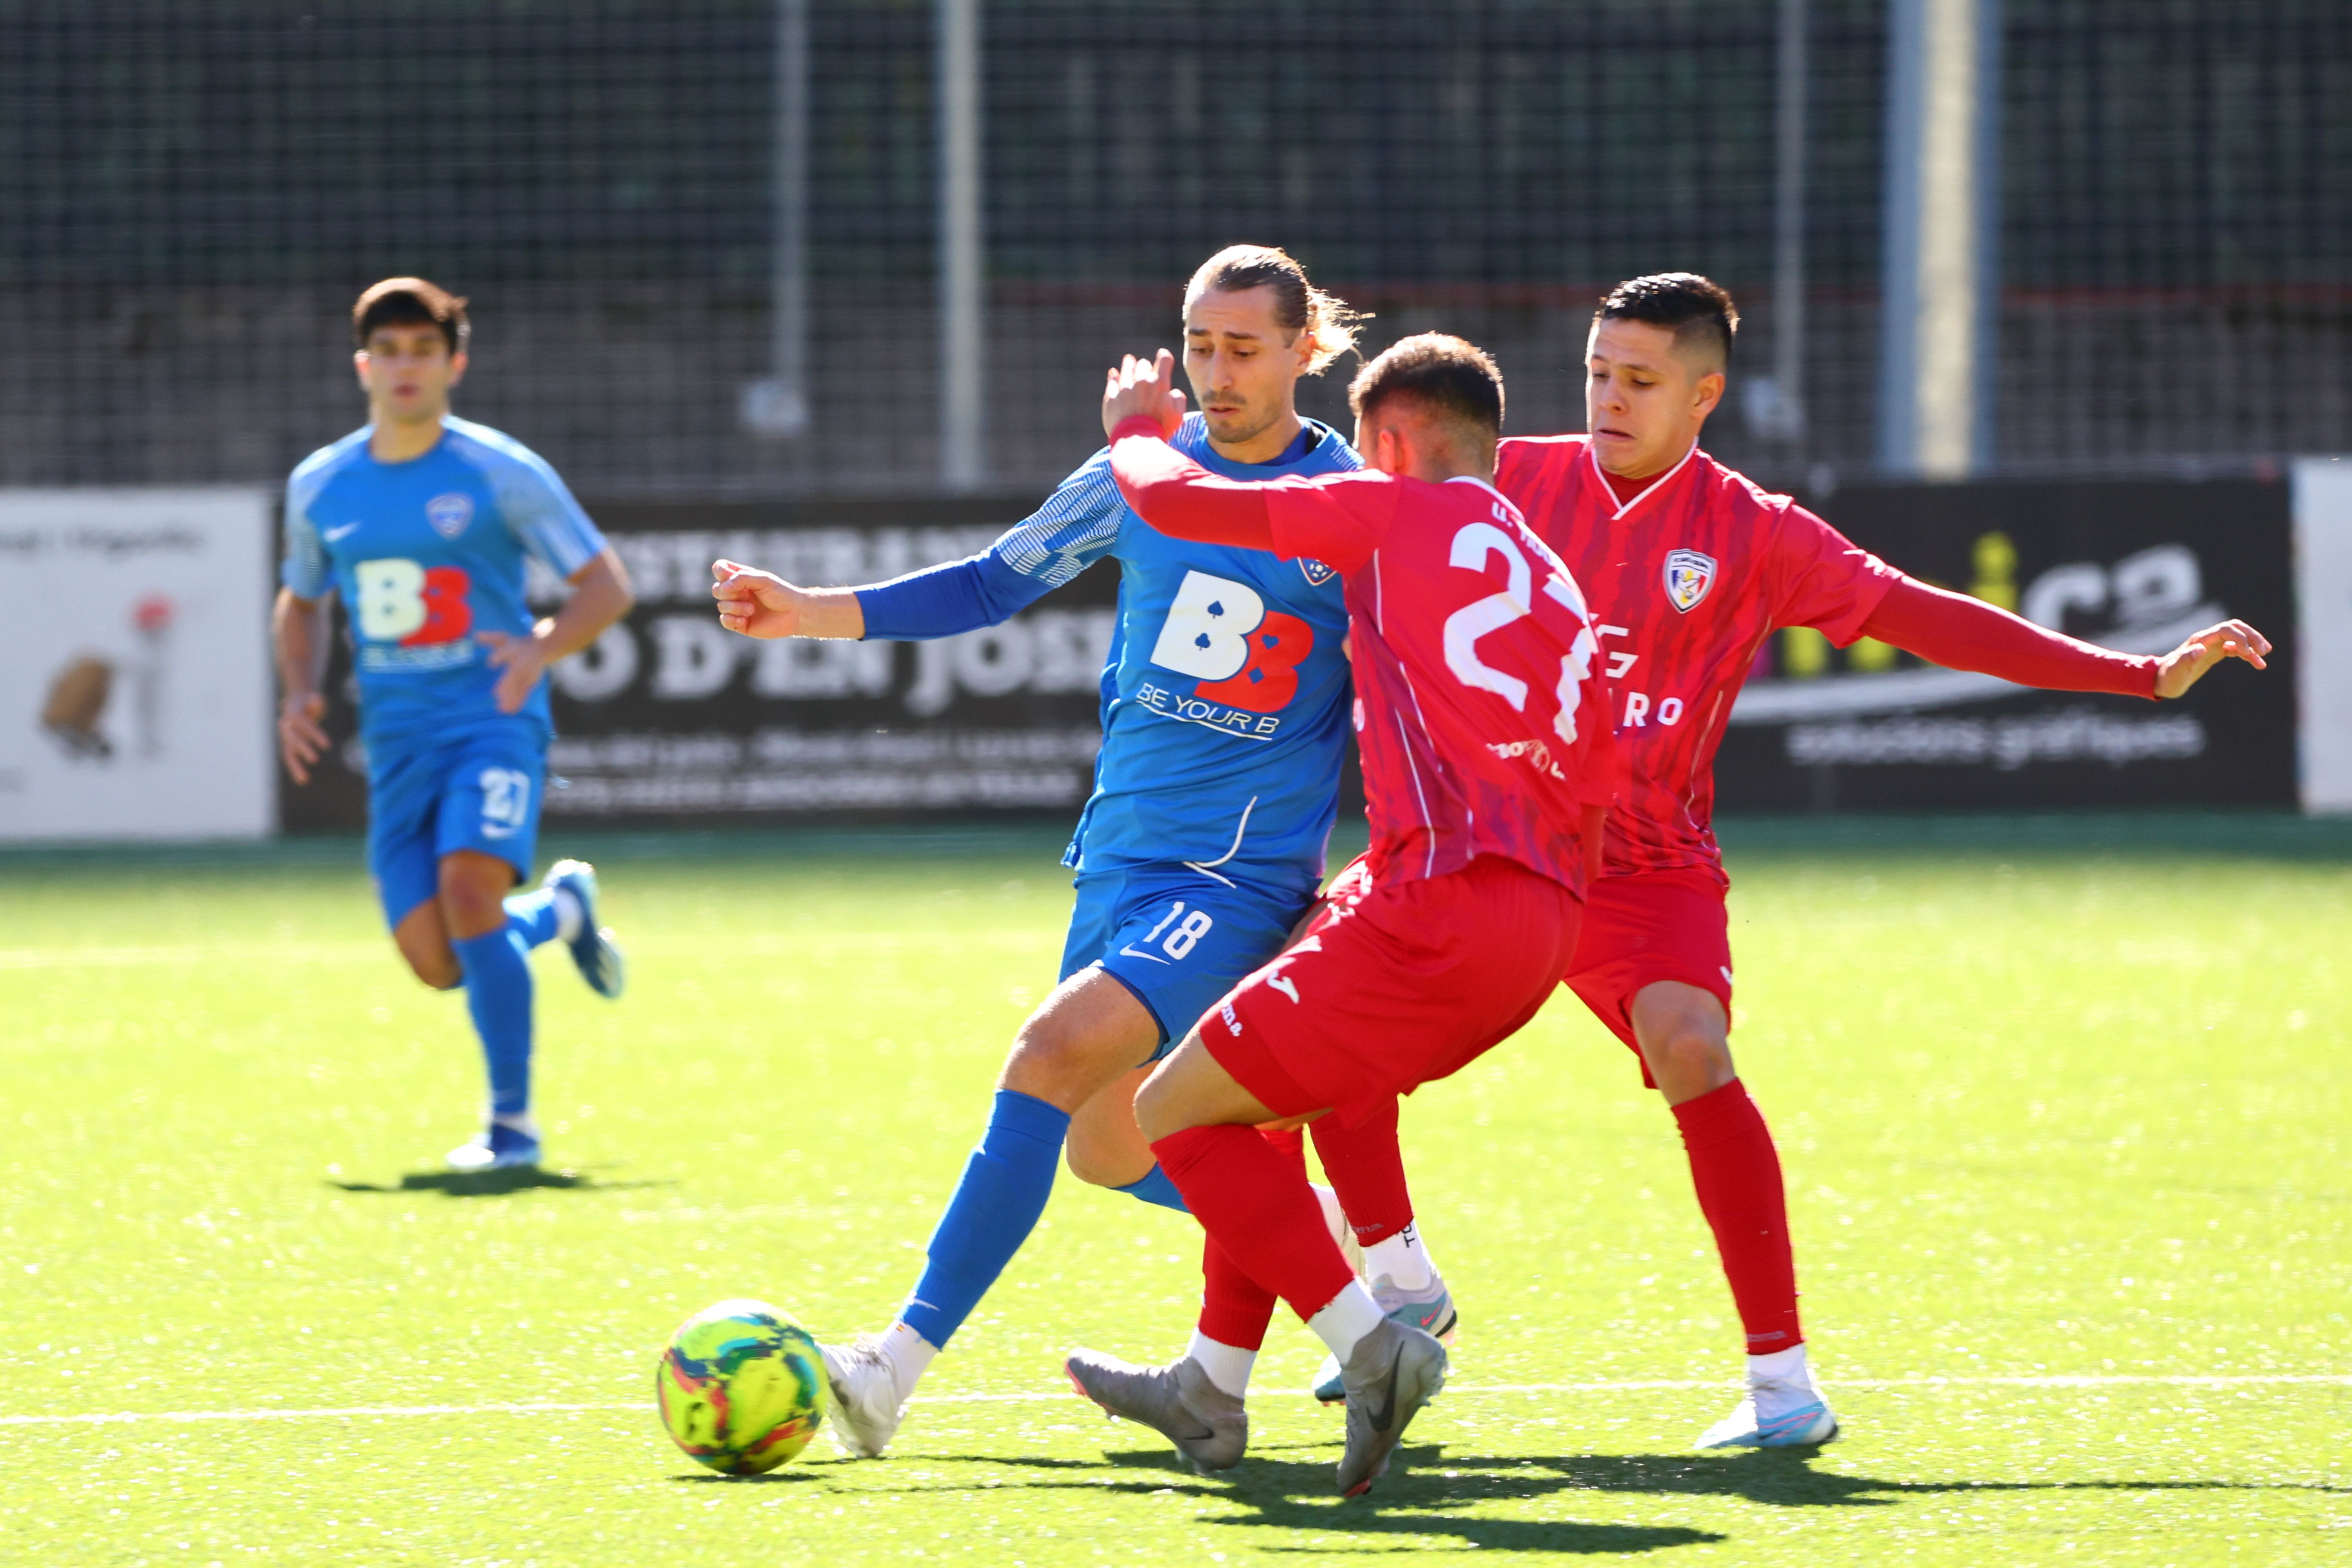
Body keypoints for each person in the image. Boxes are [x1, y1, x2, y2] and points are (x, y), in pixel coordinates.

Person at [1497, 272, 2273, 1449]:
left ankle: (1781, 1389)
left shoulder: (1754, 532)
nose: (1608, 396)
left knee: (1693, 1046)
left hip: (1648, 870)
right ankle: (1380, 1306)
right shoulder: (1505, 481)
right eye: (1598, 372)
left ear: (1705, 395)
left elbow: (1929, 615)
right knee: (1320, 1016)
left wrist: (2136, 674)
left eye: (1641, 380)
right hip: (1491, 845)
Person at [710, 246, 1452, 1458]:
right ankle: (1368, 1303)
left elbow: (1421, 677)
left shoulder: (1350, 496)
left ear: (1306, 349)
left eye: (1246, 349)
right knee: (1114, 1145)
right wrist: (812, 611)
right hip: (1123, 862)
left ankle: (890, 1370)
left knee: (1048, 1056)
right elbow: (992, 583)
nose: (1217, 372)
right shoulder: (1143, 473)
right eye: (1200, 345)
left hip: (1239, 881)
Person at [1069, 334, 1618, 1495]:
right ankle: (1214, 1386)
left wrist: (1133, 425)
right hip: (1549, 916)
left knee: (1167, 1111)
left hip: (1443, 906)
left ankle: (1379, 1346)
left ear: (1392, 443)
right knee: (1269, 1068)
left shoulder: (1388, 509)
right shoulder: (1547, 565)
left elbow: (1180, 496)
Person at [275, 277, 635, 1172]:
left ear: (454, 364)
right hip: (396, 743)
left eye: (423, 351)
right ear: (364, 365)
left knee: (470, 894)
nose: (406, 368)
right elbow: (302, 599)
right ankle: (558, 910)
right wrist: (297, 692)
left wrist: (538, 648)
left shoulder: (499, 471)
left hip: (492, 720)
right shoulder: (322, 484)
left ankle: (511, 1127)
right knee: (440, 960)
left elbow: (605, 586)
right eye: (389, 352)